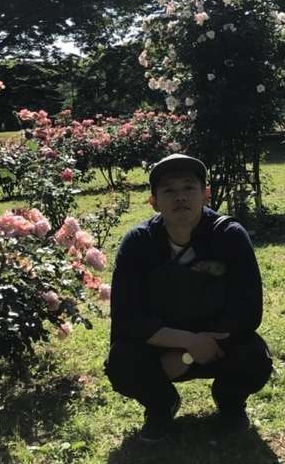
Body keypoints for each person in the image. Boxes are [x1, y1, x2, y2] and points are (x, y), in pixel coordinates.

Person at [104, 154, 272, 442]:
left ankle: (230, 402)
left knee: (254, 356)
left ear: (206, 194)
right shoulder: (138, 243)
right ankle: (161, 405)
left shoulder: (229, 235)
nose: (180, 197)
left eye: (188, 188)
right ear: (153, 201)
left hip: (216, 346)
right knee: (121, 361)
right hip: (161, 350)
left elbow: (247, 311)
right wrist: (186, 343)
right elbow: (127, 317)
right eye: (169, 190)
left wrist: (192, 352)